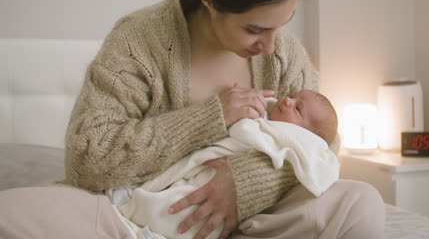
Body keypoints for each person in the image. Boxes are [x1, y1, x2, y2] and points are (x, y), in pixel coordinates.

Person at [0, 0, 385, 238]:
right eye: (254, 30)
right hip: (132, 215)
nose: (271, 45)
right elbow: (89, 159)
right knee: (8, 215)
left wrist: (246, 184)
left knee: (360, 202)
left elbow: (322, 147)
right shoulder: (139, 41)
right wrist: (209, 118)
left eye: (281, 25)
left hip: (254, 220)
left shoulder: (283, 55)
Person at [109, 89, 341, 239]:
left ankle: (139, 215)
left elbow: (244, 131)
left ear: (305, 134)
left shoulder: (290, 139)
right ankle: (138, 210)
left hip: (231, 197)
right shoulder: (278, 120)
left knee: (185, 206)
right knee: (182, 187)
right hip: (209, 166)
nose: (287, 100)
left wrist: (253, 116)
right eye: (292, 95)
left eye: (297, 108)